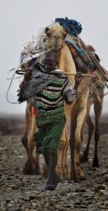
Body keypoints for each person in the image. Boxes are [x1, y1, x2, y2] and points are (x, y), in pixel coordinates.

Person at [18, 50, 82, 191]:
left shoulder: (62, 78)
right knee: (44, 148)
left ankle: (51, 179)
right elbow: (24, 95)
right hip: (42, 119)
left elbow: (69, 100)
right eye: (45, 63)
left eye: (50, 64)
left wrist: (76, 84)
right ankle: (55, 176)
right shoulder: (37, 77)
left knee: (51, 145)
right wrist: (26, 80)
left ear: (56, 64)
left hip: (56, 118)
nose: (47, 66)